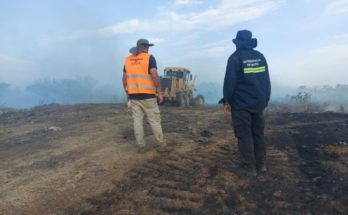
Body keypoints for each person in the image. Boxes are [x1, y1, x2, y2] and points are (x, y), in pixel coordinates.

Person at [221, 30, 271, 176]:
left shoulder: (235, 58)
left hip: (241, 105)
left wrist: (226, 100)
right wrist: (265, 99)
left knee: (244, 135)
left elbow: (230, 83)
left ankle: (249, 167)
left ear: (237, 44)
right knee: (258, 134)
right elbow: (266, 81)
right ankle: (261, 165)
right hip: (258, 104)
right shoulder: (260, 57)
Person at [122, 39, 167, 153]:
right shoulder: (149, 58)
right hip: (148, 96)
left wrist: (127, 92)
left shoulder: (127, 60)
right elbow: (154, 75)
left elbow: (124, 78)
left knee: (137, 121)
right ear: (146, 48)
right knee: (154, 121)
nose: (148, 49)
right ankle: (161, 145)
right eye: (148, 47)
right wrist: (159, 92)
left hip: (133, 96)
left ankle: (141, 147)